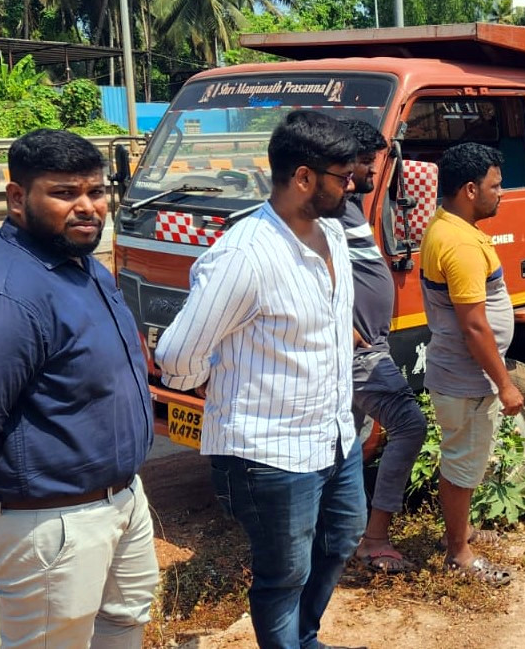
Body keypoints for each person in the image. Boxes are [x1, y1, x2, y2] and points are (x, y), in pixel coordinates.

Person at [155, 110, 366, 648]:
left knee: (342, 538)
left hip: (334, 436)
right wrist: (217, 379)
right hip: (269, 452)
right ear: (303, 178)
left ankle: (306, 638)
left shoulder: (331, 236)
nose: (353, 184)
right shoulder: (244, 254)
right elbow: (177, 354)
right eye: (343, 176)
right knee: (283, 575)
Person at [0, 128, 158, 647]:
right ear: (19, 198)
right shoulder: (4, 295)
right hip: (49, 523)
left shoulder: (79, 265)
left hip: (118, 500)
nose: (87, 206)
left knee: (123, 622)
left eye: (95, 191)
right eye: (65, 193)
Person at [420, 142, 520, 586]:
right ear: (469, 189)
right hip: (467, 378)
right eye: (495, 186)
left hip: (458, 373)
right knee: (462, 464)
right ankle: (459, 552)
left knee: (463, 459)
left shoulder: (449, 226)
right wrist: (505, 383)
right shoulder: (458, 243)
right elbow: (475, 326)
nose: (502, 193)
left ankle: (460, 534)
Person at [334, 119, 431, 574]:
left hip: (368, 345)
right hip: (361, 352)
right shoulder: (328, 214)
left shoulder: (348, 208)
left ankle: (343, 536)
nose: (375, 172)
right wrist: (348, 333)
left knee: (347, 442)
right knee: (410, 426)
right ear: (346, 163)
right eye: (368, 163)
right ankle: (374, 538)